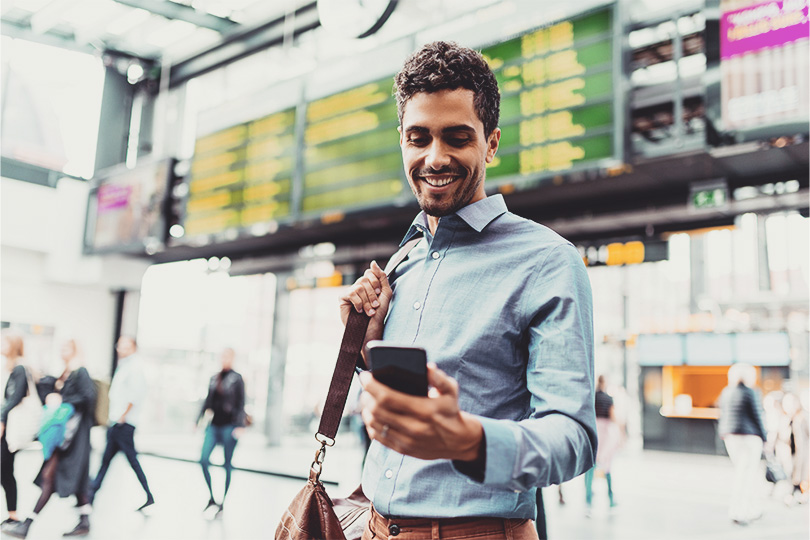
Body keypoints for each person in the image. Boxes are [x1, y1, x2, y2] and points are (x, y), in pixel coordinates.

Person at [339, 41, 596, 540]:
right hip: (373, 525)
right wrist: (365, 347)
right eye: (419, 138)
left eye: (456, 137)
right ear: (403, 141)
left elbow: (574, 437)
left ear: (491, 143)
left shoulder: (547, 261)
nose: (434, 158)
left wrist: (468, 440)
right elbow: (407, 407)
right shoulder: (403, 260)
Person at [3, 339, 97, 538]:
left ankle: (27, 524)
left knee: (49, 477)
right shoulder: (66, 372)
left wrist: (63, 400)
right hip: (62, 436)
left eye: (67, 348)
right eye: (61, 347)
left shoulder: (80, 371)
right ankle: (85, 520)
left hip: (72, 438)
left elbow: (88, 398)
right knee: (70, 481)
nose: (62, 351)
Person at [88, 336, 154, 511]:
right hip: (116, 422)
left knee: (131, 461)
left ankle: (149, 495)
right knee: (106, 461)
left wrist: (122, 417)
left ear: (133, 347)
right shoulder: (125, 366)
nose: (120, 348)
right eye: (119, 345)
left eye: (125, 346)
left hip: (123, 424)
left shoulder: (135, 368)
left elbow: (135, 395)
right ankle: (90, 496)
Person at [197, 347, 246, 517]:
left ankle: (222, 502)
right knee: (203, 460)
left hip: (230, 426)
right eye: (222, 356)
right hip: (214, 425)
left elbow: (241, 403)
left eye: (228, 356)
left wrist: (240, 426)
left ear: (233, 358)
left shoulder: (237, 379)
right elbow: (207, 402)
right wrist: (197, 420)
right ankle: (212, 497)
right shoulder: (214, 378)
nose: (224, 359)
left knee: (227, 464)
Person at [718, 363, 767, 526]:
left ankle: (750, 508)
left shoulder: (726, 392)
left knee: (741, 473)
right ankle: (741, 511)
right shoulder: (750, 392)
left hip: (731, 438)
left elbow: (722, 414)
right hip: (749, 438)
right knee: (746, 475)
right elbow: (757, 416)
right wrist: (765, 438)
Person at [0, 334, 28, 526]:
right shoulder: (11, 368)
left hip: (11, 430)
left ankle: (14, 515)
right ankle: (12, 514)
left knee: (5, 470)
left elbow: (14, 398)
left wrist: (1, 419)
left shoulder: (19, 368)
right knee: (5, 471)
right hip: (8, 428)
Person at [584, 375, 621, 513]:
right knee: (607, 467)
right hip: (605, 433)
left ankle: (588, 501)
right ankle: (611, 498)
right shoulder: (608, 398)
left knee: (590, 468)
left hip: (594, 431)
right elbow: (613, 416)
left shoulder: (592, 397)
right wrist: (621, 435)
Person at [781, 392, 809, 503]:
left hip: (802, 453)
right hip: (789, 452)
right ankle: (793, 494)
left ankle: (801, 494)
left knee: (801, 474)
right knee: (791, 473)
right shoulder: (786, 418)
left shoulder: (803, 417)